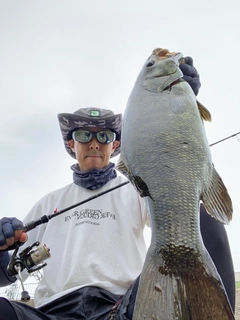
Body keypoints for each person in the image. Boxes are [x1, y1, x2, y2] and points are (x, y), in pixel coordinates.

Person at [0, 59, 235, 319]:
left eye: (104, 136)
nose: (93, 143)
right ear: (71, 145)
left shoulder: (136, 190)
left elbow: (175, 183)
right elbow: (8, 272)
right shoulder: (48, 203)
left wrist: (183, 104)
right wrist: (2, 246)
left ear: (116, 145)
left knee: (204, 219)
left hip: (123, 308)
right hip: (51, 312)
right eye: (83, 135)